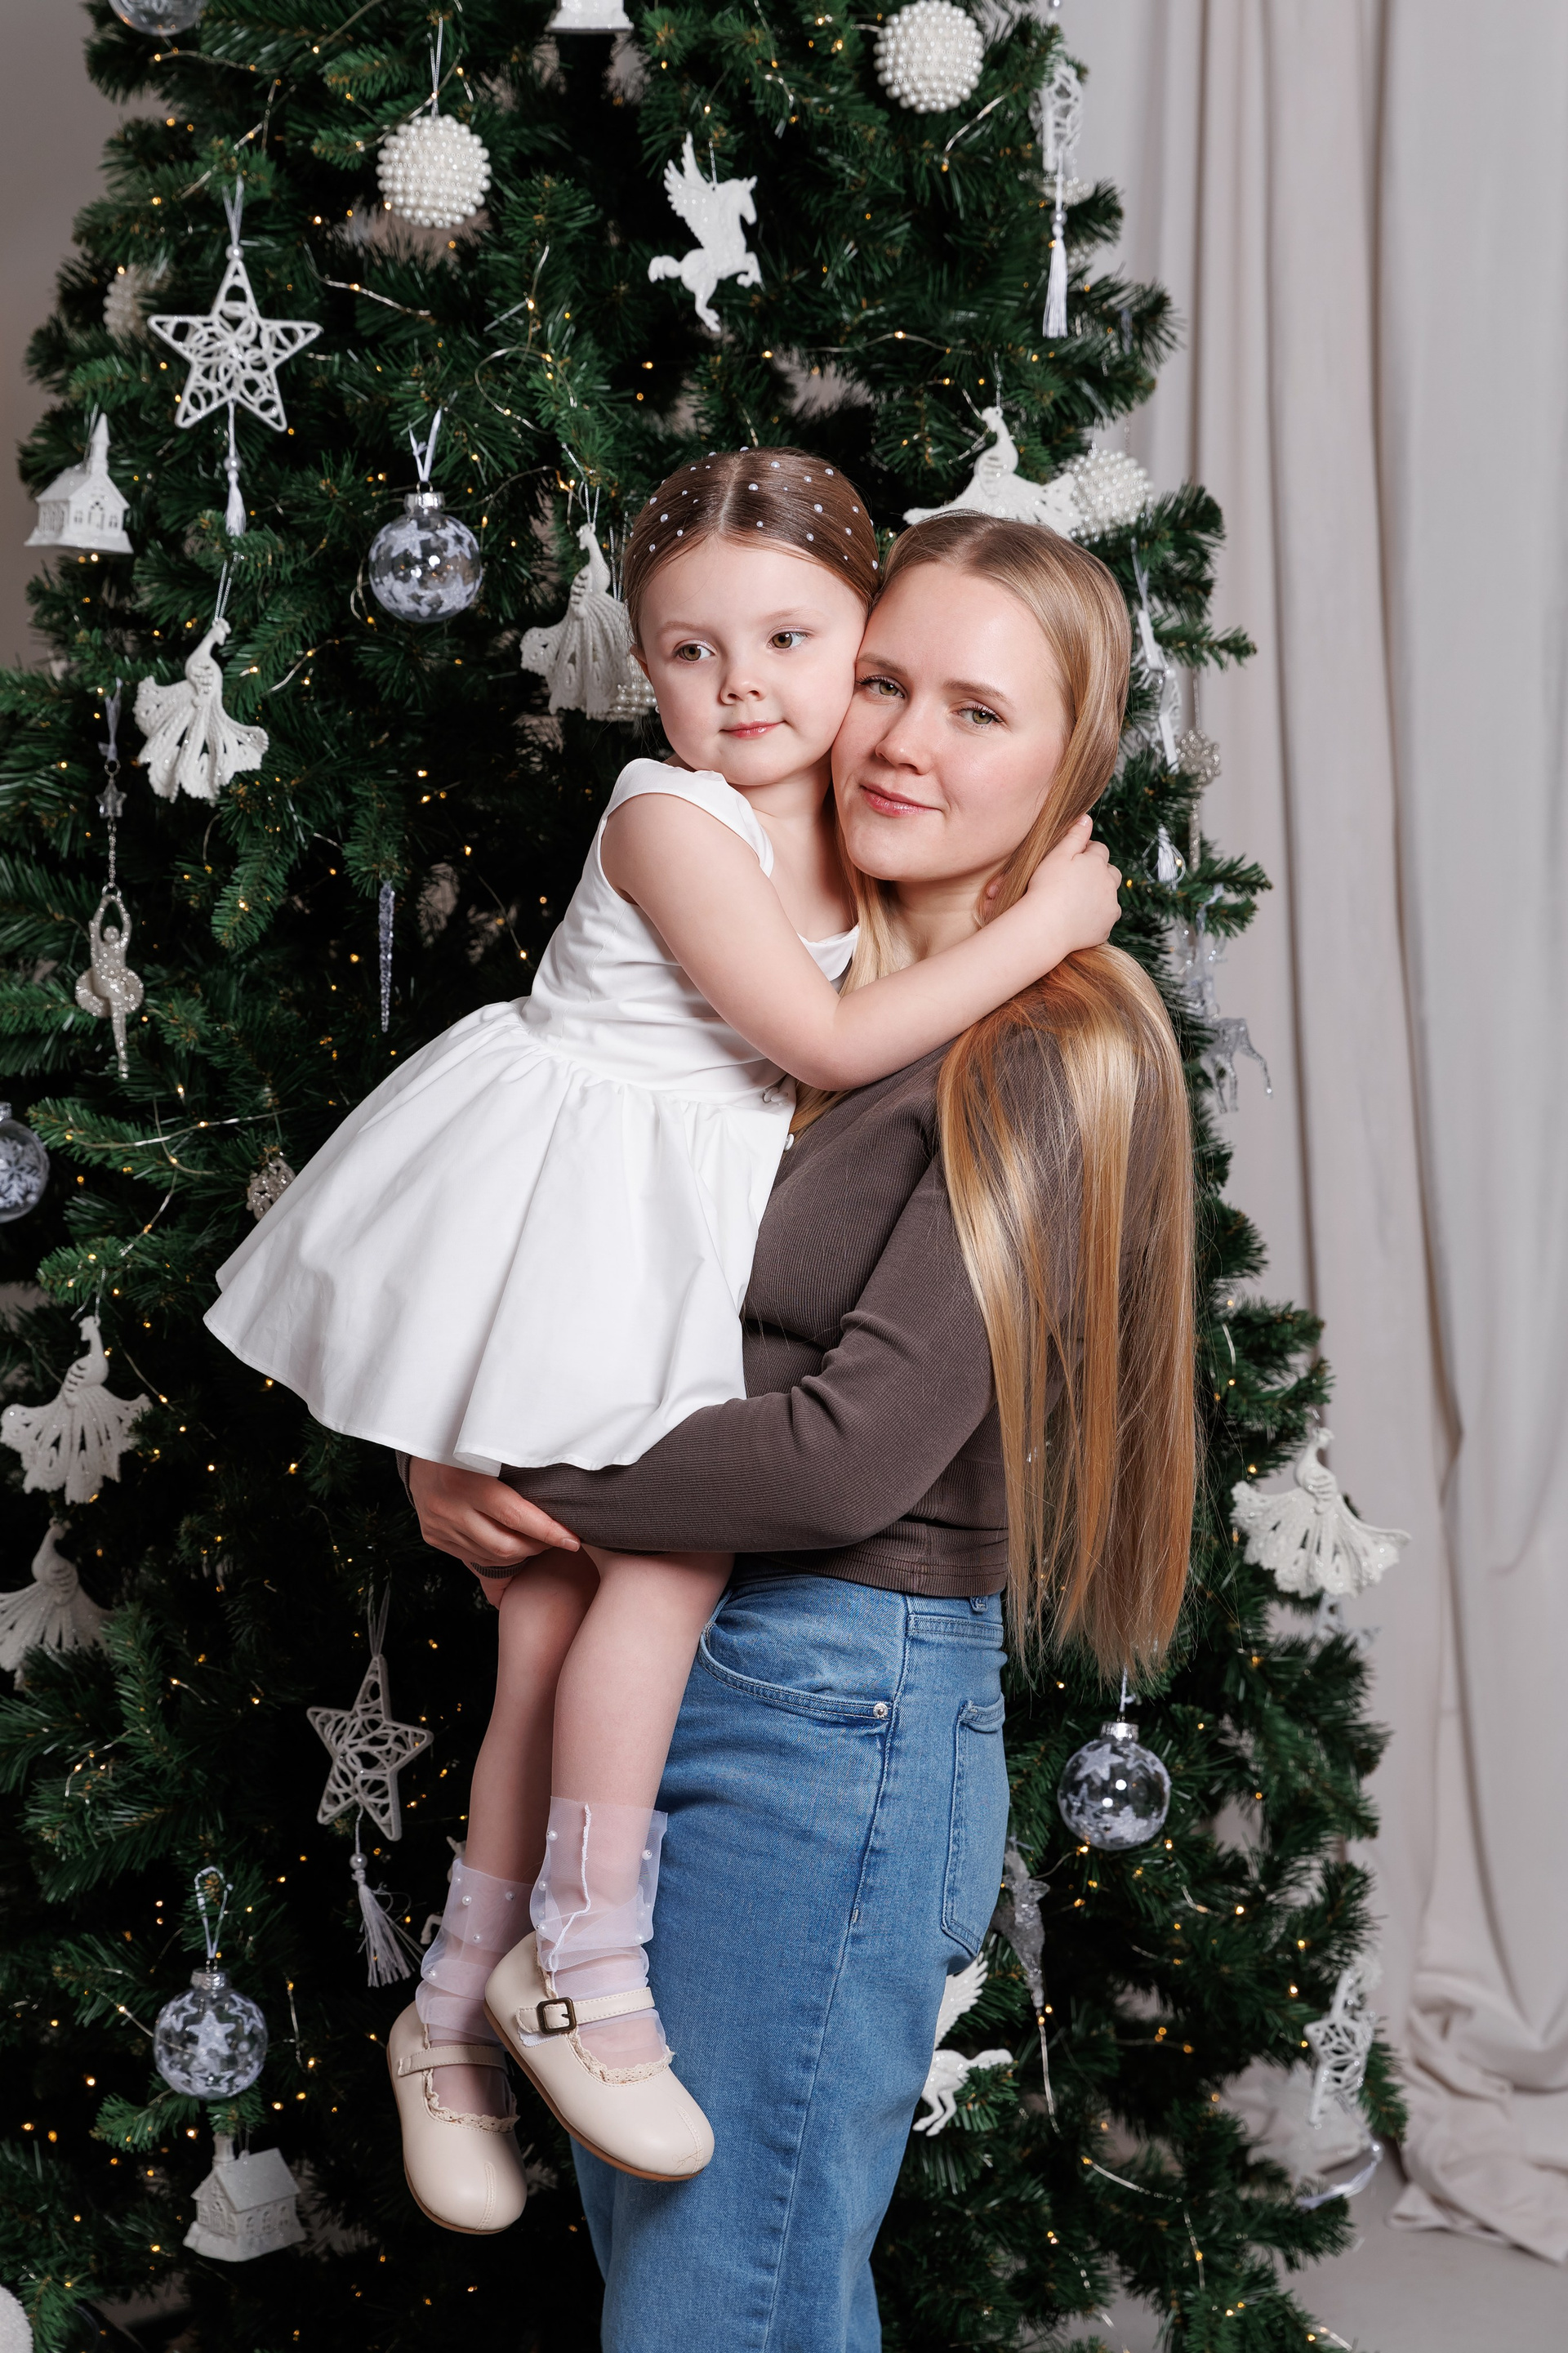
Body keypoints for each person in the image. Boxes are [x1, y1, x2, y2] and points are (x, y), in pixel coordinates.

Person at [202, 452, 1122, 2225]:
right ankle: (537, 1980)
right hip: (590, 1231)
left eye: (798, 645)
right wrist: (1053, 925)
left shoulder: (905, 904)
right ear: (643, 663)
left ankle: (492, 1991)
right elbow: (822, 1053)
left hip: (682, 1309)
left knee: (581, 1617)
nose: (755, 688)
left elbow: (842, 1421)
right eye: (694, 652)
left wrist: (515, 1465)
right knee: (583, 1613)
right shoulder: (682, 819)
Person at [409, 512, 1198, 2349]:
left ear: (1072, 760)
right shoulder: (772, 989)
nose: (904, 742)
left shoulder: (1045, 1048)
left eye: (979, 711)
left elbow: (846, 1449)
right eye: (889, 683)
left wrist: (526, 1468)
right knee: (691, 2280)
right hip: (661, 1672)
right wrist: (445, 1437)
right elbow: (565, 1254)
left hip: (833, 1711)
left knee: (723, 2297)